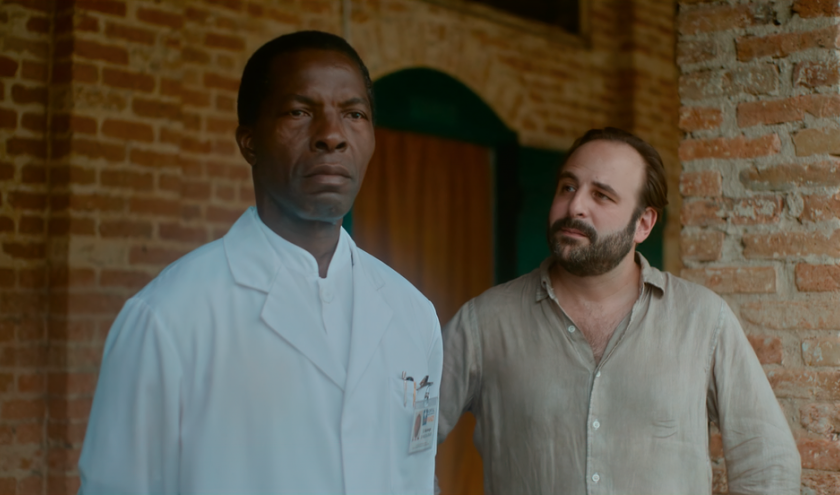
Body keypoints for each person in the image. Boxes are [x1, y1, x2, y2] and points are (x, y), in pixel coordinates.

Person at [78, 31, 443, 494]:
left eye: (353, 114)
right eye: (299, 112)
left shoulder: (414, 314)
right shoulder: (167, 318)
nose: (332, 135)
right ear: (248, 142)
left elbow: (414, 476)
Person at [437, 127, 800, 494]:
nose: (576, 205)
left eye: (602, 195)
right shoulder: (484, 322)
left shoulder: (703, 320)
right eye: (568, 187)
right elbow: (399, 439)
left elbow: (768, 459)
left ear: (643, 223)